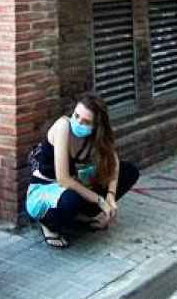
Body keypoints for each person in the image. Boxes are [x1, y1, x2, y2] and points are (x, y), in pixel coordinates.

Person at [24, 94, 140, 249]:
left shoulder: (96, 137)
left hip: (72, 186)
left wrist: (110, 196)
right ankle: (48, 225)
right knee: (72, 198)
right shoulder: (63, 126)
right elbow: (63, 179)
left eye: (86, 121)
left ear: (96, 126)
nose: (78, 122)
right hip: (45, 190)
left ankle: (82, 217)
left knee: (129, 171)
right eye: (76, 116)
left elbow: (114, 162)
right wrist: (100, 200)